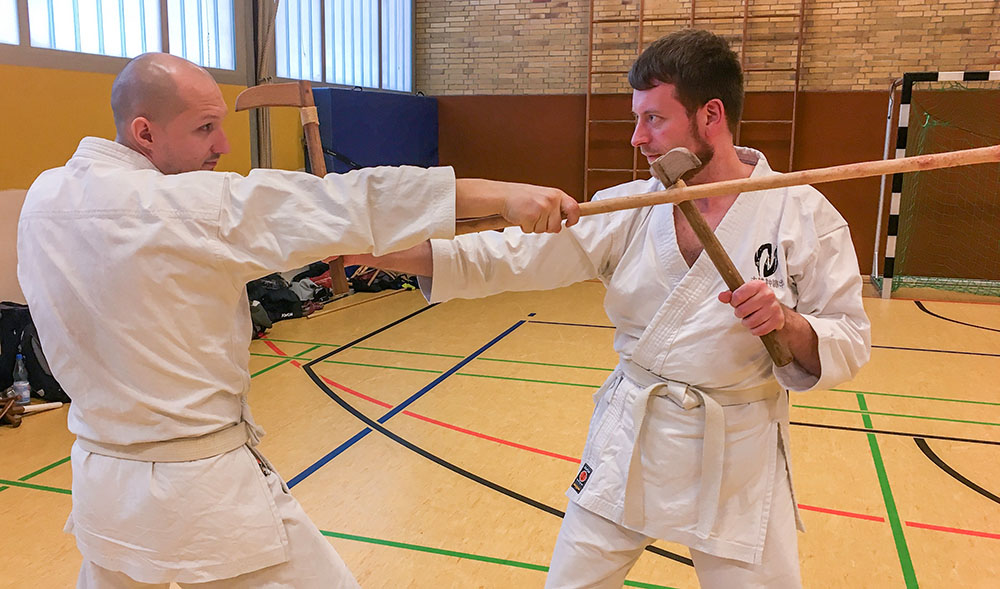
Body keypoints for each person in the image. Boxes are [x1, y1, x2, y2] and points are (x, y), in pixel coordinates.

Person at [16, 52, 580, 588]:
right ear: (145, 133)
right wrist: (503, 195)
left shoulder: (43, 199)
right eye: (205, 128)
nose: (223, 144)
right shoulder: (183, 208)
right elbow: (346, 201)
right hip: (201, 485)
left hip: (101, 482)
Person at [347, 29, 871, 588]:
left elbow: (849, 337)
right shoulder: (629, 210)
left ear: (711, 115)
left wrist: (787, 325)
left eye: (654, 119)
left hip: (738, 448)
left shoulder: (803, 214)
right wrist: (383, 249)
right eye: (636, 118)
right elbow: (511, 255)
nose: (637, 137)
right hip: (633, 435)